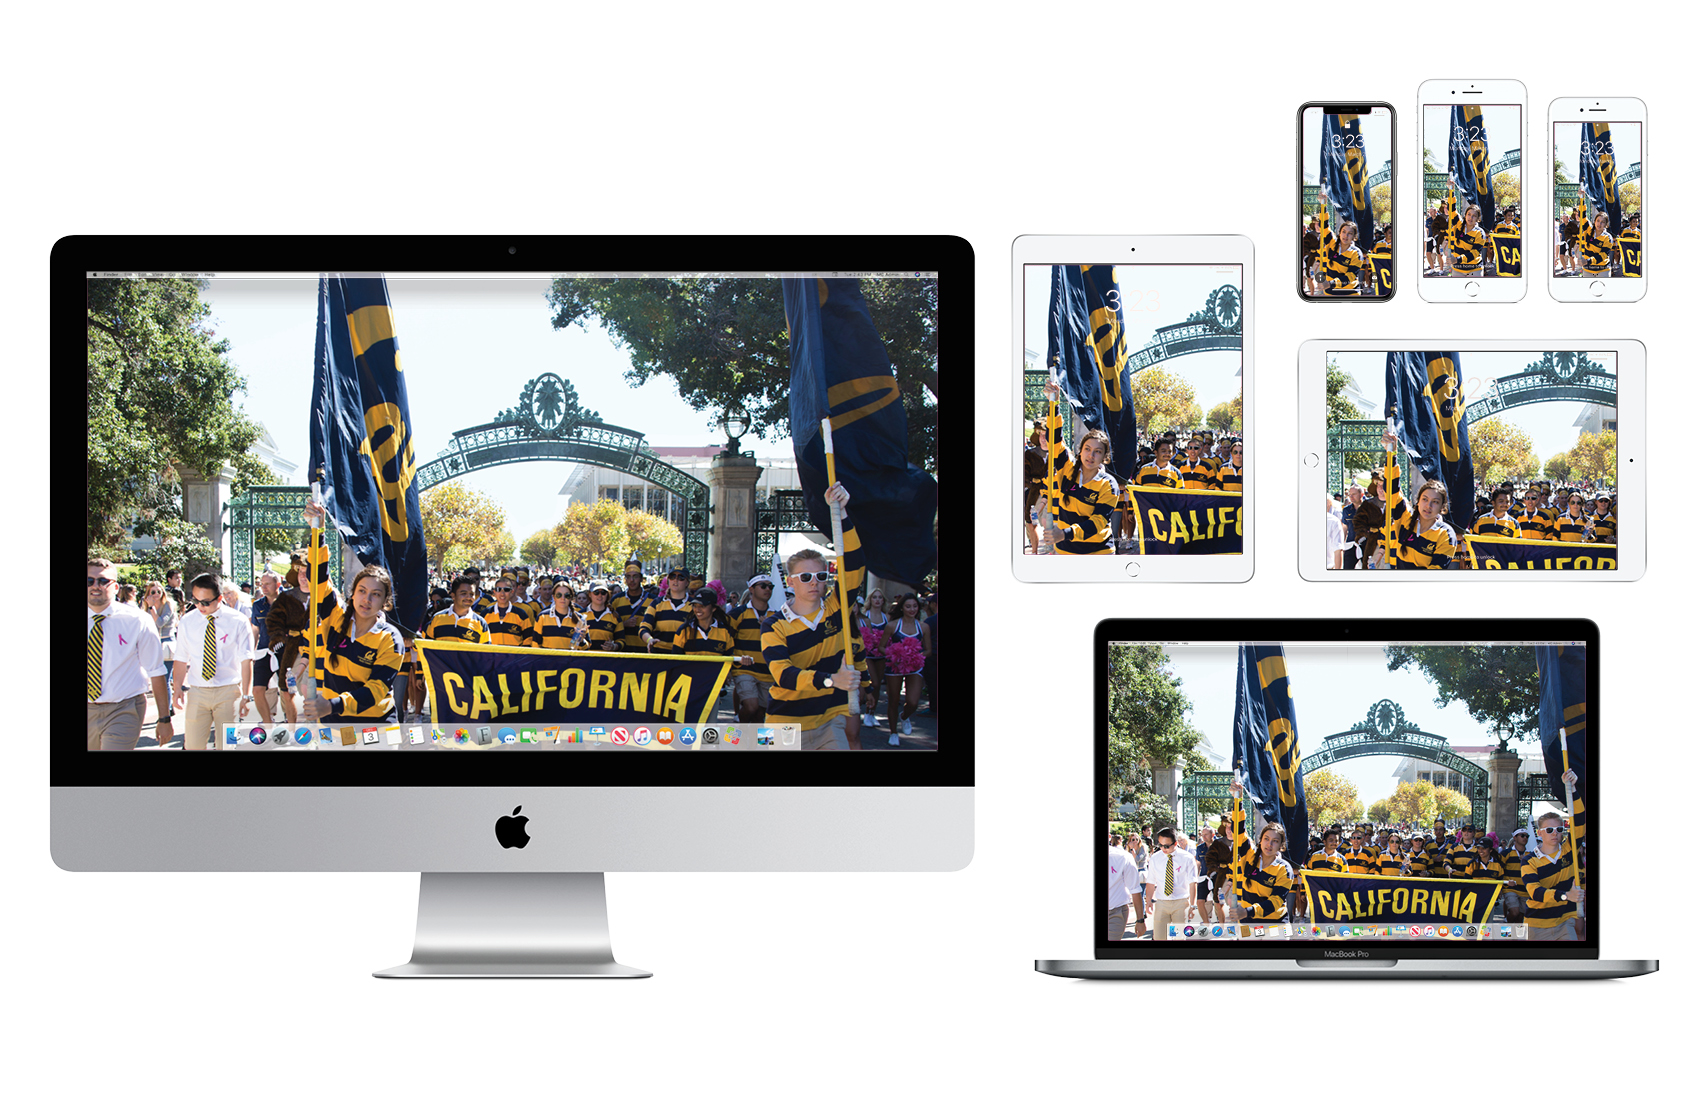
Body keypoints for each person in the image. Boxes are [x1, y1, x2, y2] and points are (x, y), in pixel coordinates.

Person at [762, 482, 864, 751]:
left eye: (820, 576)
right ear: (790, 581)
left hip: (830, 721)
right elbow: (783, 675)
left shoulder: (836, 609)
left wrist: (841, 514)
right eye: (805, 577)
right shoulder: (773, 625)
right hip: (781, 724)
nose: (814, 582)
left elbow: (855, 565)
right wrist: (831, 680)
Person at [298, 500, 407, 725]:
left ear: (385, 602)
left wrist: (331, 705)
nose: (366, 599)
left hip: (375, 727)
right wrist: (317, 531)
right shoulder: (335, 617)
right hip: (333, 725)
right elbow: (317, 579)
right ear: (352, 594)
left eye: (375, 594)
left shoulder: (390, 638)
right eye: (362, 591)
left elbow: (376, 689)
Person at [87, 557, 172, 750]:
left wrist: (164, 718)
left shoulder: (137, 620)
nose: (95, 586)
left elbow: (156, 670)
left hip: (123, 709)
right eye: (89, 581)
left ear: (116, 587)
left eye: (102, 581)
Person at [172, 572, 255, 751]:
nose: (199, 606)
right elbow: (180, 658)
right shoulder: (187, 621)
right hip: (197, 692)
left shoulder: (238, 621)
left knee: (228, 745)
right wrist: (177, 688)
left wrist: (247, 696)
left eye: (205, 602)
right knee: (192, 745)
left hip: (229, 692)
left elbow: (246, 659)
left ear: (219, 598)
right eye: (195, 600)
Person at [1041, 379, 1118, 555]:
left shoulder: (1109, 485)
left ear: (1105, 457)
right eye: (1087, 449)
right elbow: (1054, 439)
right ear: (1080, 451)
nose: (1091, 455)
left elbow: (1097, 522)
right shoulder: (1066, 467)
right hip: (1065, 551)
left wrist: (1064, 534)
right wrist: (1054, 403)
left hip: (1098, 553)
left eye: (1097, 452)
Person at [1370, 430, 1460, 568]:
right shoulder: (1405, 518)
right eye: (1425, 499)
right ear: (1418, 502)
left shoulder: (1446, 535)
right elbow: (1392, 490)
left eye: (1435, 502)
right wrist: (1392, 453)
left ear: (1443, 507)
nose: (1428, 505)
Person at [1227, 780, 1294, 923]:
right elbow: (1238, 831)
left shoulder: (1284, 869)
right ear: (1260, 840)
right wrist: (1237, 800)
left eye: (1275, 841)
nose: (1269, 844)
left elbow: (1275, 902)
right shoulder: (1249, 855)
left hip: (1274, 924)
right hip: (1247, 921)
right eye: (1266, 839)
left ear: (1281, 845)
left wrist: (1246, 911)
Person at [1523, 808, 1584, 941]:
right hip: (1536, 924)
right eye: (1549, 830)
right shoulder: (1529, 860)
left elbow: (1580, 822)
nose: (1554, 833)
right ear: (1539, 833)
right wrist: (1566, 895)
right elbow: (1535, 892)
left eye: (1559, 829)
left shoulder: (1570, 850)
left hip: (1565, 922)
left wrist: (1573, 790)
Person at [882, 592, 930, 740]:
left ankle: (904, 716)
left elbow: (928, 650)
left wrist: (917, 656)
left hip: (914, 667)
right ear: (902, 608)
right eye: (908, 606)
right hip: (895, 667)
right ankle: (893, 733)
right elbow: (881, 647)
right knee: (894, 700)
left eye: (915, 606)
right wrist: (895, 655)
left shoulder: (924, 627)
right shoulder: (892, 626)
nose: (912, 609)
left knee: (913, 702)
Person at [729, 575, 777, 724]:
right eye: (763, 586)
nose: (767, 589)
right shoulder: (737, 614)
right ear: (751, 589)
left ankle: (753, 744)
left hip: (768, 671)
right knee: (751, 706)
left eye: (770, 586)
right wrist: (728, 667)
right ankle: (736, 732)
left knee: (761, 713)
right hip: (744, 668)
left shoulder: (777, 616)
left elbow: (783, 641)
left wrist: (770, 627)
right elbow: (727, 640)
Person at [1143, 828, 1197, 941]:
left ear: (1175, 843)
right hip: (1161, 903)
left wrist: (1192, 905)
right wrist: (1148, 901)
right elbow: (1151, 882)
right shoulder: (1155, 858)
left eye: (1166, 846)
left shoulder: (1187, 858)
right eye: (1160, 845)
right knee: (1158, 938)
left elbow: (1193, 883)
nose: (1163, 848)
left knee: (1178, 938)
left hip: (1181, 903)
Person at [139, 580, 177, 718]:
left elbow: (160, 623)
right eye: (152, 592)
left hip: (166, 644)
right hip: (152, 643)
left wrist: (152, 609)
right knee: (154, 678)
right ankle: (169, 706)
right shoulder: (144, 606)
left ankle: (165, 711)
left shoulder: (168, 605)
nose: (156, 595)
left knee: (164, 679)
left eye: (158, 592)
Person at [856, 587, 889, 734]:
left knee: (878, 684)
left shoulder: (886, 617)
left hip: (880, 654)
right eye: (874, 597)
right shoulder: (865, 616)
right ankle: (863, 711)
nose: (877, 600)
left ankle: (870, 713)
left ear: (883, 600)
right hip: (866, 655)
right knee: (873, 682)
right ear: (870, 600)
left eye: (880, 597)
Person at [640, 567, 694, 652]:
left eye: (681, 577)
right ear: (668, 580)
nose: (675, 580)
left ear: (687, 582)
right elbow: (644, 628)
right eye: (672, 576)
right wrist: (649, 640)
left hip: (684, 657)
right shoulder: (656, 603)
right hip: (659, 656)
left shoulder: (694, 606)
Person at [425, 575, 492, 644]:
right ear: (453, 596)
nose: (468, 597)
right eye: (464, 593)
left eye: (471, 594)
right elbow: (426, 648)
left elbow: (486, 653)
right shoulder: (437, 618)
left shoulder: (481, 623)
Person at [674, 587, 737, 656]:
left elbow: (730, 660)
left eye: (702, 606)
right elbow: (676, 661)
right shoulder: (683, 631)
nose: (697, 609)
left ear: (713, 608)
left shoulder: (725, 632)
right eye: (695, 606)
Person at [1443, 188, 1489, 277]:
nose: (1470, 218)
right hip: (1457, 269)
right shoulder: (1458, 224)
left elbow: (1474, 253)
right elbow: (1451, 209)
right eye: (1469, 214)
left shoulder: (1480, 233)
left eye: (1474, 216)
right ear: (1465, 215)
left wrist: (1457, 259)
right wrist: (1451, 190)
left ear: (1478, 219)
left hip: (1475, 269)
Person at [1109, 832, 1147, 941]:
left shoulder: (1123, 856)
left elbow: (1135, 890)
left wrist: (1140, 920)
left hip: (1114, 912)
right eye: (1132, 839)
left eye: (1136, 839)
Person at [530, 581, 587, 649]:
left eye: (567, 595)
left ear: (571, 598)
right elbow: (535, 646)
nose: (563, 598)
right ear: (553, 597)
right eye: (559, 595)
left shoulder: (580, 619)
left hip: (569, 659)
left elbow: (586, 648)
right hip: (546, 659)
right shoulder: (542, 617)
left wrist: (581, 641)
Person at [483, 576, 533, 647]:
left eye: (506, 590)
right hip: (491, 657)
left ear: (512, 591)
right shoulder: (486, 613)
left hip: (515, 657)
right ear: (494, 592)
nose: (502, 593)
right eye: (498, 589)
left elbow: (528, 639)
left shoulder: (521, 614)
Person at [1352, 471, 1386, 569]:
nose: (1380, 488)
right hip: (1372, 544)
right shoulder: (1368, 504)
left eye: (1383, 485)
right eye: (1378, 485)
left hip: (1392, 544)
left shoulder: (1397, 504)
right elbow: (1358, 522)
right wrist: (1366, 534)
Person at [579, 581, 624, 652]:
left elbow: (622, 641)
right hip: (584, 660)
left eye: (603, 592)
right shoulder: (580, 615)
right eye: (596, 592)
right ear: (590, 594)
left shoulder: (615, 616)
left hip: (606, 661)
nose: (600, 595)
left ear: (607, 595)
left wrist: (614, 646)